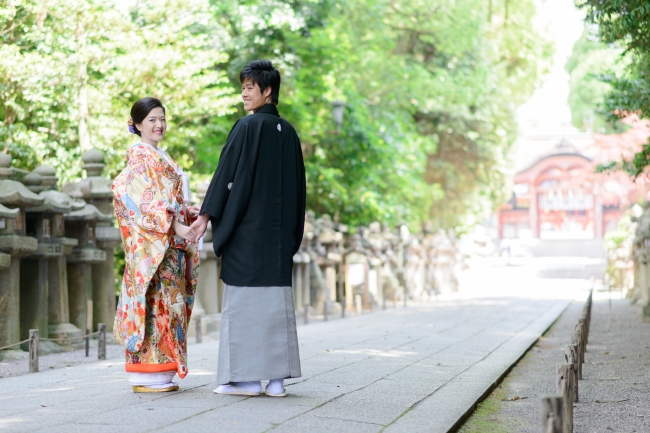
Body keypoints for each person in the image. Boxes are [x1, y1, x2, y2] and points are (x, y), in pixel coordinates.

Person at [189, 60, 306, 397]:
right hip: (279, 238)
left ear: (267, 91)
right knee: (277, 305)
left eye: (250, 87)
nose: (244, 93)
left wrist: (207, 216)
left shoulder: (247, 127)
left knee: (244, 304)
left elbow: (227, 176)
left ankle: (248, 380)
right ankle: (277, 382)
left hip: (248, 235)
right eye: (243, 87)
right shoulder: (290, 133)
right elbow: (299, 190)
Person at [112, 97, 200, 393]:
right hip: (155, 247)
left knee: (167, 305)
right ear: (136, 125)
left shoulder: (158, 155)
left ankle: (162, 371)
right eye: (151, 119)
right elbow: (142, 200)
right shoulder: (139, 156)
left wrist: (188, 214)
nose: (159, 124)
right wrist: (175, 225)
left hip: (167, 244)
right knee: (155, 305)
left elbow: (170, 202)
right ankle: (147, 372)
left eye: (162, 118)